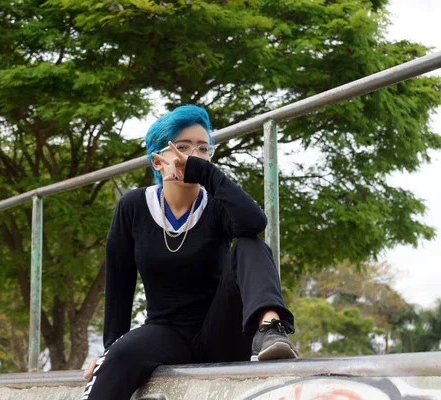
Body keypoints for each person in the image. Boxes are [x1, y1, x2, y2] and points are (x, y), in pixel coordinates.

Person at [81, 105, 298, 400]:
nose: (193, 155)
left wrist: (206, 174)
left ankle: (271, 329)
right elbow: (119, 284)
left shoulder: (218, 202)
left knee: (250, 243)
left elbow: (254, 222)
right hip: (166, 332)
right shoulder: (133, 206)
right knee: (120, 357)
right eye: (182, 147)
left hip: (222, 330)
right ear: (157, 161)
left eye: (203, 149)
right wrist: (110, 350)